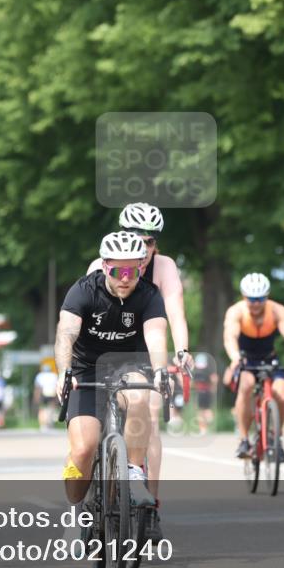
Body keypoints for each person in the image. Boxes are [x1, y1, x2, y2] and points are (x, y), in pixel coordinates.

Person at [86, 203, 190, 540]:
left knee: (150, 420)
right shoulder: (100, 264)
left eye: (150, 242)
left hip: (145, 352)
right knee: (87, 429)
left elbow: (174, 312)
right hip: (100, 349)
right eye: (136, 240)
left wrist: (182, 351)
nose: (143, 250)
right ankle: (87, 505)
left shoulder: (164, 267)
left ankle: (150, 509)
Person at [56, 231, 170, 513]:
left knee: (141, 397)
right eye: (117, 270)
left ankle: (133, 474)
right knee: (83, 449)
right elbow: (66, 334)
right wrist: (64, 371)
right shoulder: (84, 290)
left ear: (141, 267)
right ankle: (74, 512)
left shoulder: (149, 295)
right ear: (105, 266)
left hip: (128, 365)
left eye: (133, 270)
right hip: (86, 370)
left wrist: (159, 371)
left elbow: (156, 335)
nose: (125, 278)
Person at [222, 273, 284, 461]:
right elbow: (230, 337)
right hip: (245, 360)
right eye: (251, 299)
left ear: (266, 297)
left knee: (282, 394)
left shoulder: (277, 310)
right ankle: (244, 439)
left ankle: (276, 437)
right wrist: (235, 357)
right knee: (246, 386)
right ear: (244, 297)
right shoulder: (236, 312)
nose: (256, 303)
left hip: (270, 359)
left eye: (260, 299)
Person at [191, 352, 218, 435]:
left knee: (200, 411)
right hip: (207, 391)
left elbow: (193, 384)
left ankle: (203, 428)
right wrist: (213, 388)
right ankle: (207, 422)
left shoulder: (195, 371)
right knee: (206, 409)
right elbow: (214, 379)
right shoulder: (208, 370)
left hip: (200, 392)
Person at [33, 363, 59, 432]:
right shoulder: (54, 375)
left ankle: (43, 424)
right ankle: (50, 423)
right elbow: (56, 387)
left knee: (42, 409)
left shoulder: (40, 376)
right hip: (51, 394)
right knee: (51, 408)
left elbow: (38, 388)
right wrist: (57, 397)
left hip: (43, 394)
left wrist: (36, 397)